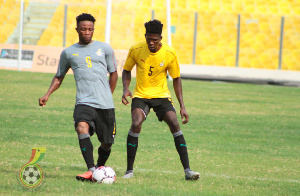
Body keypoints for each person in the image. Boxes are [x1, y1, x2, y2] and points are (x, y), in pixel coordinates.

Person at [39, 13, 118, 182]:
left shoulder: (105, 49)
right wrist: (47, 94)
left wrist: (108, 95)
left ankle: (98, 169)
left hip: (105, 104)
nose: (87, 32)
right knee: (81, 127)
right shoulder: (68, 52)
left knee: (107, 143)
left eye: (90, 29)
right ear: (77, 30)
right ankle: (91, 170)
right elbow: (59, 76)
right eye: (83, 29)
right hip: (84, 101)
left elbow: (114, 74)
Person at [121, 19, 200, 180]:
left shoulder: (169, 53)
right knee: (136, 123)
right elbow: (126, 70)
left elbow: (176, 79)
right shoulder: (136, 49)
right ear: (145, 36)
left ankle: (188, 171)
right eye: (148, 39)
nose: (151, 42)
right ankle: (129, 171)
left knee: (174, 123)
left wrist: (182, 106)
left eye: (155, 40)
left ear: (160, 39)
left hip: (162, 95)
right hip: (141, 95)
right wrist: (125, 89)